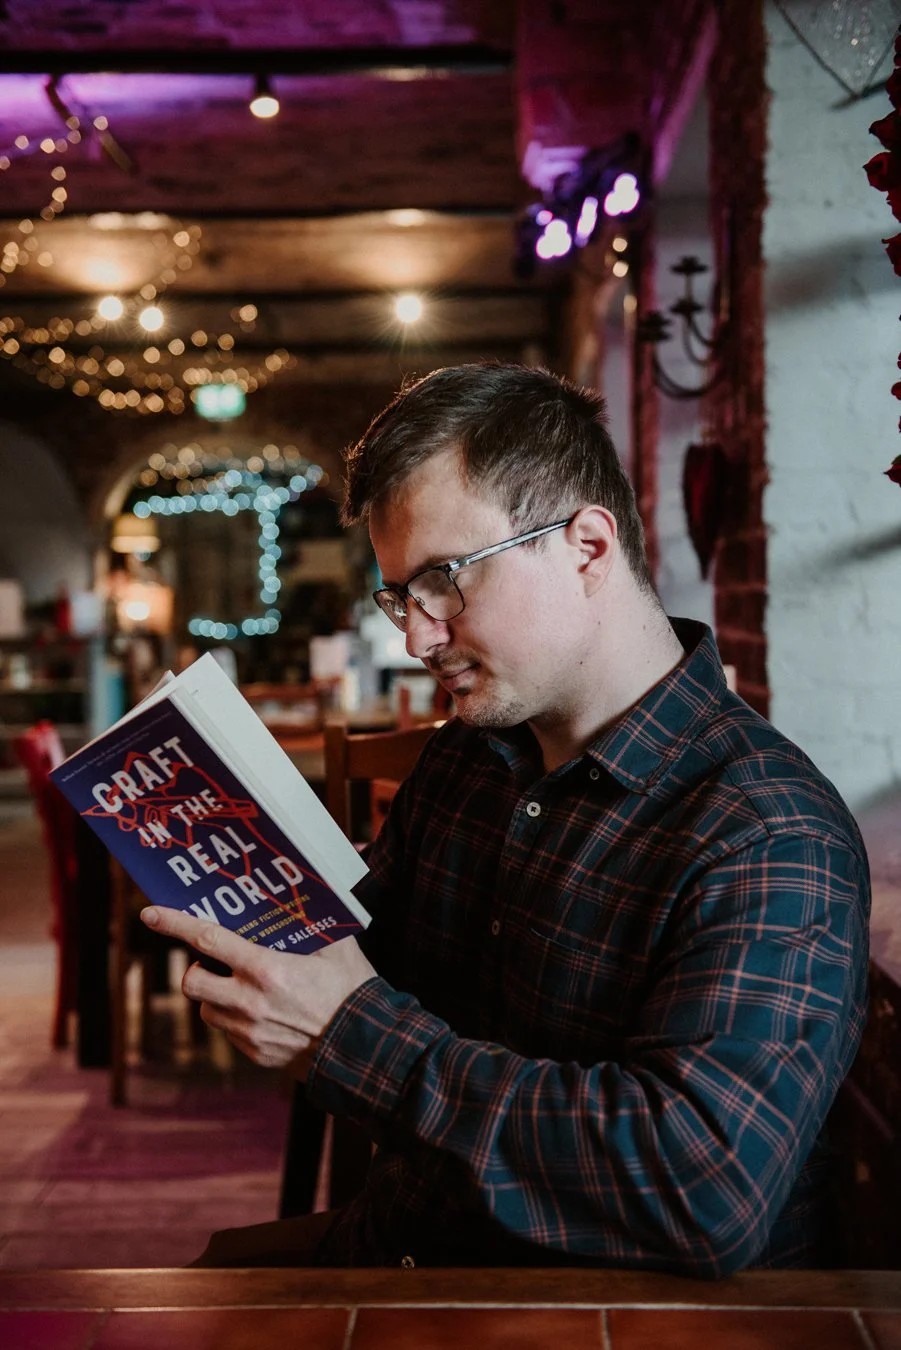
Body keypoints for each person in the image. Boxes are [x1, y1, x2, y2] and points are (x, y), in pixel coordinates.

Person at [142, 361, 870, 1275]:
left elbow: (699, 1194)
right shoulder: (468, 758)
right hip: (410, 1251)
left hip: (606, 1319)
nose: (415, 637)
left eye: (445, 580)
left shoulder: (765, 831)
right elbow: (371, 964)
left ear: (587, 549)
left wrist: (347, 1034)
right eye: (401, 595)